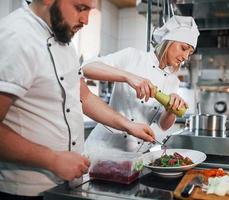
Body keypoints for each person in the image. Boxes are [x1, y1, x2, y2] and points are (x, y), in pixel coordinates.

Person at [0, 0, 156, 199]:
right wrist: (53, 159)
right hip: (24, 190)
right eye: (80, 8)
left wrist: (128, 125)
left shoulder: (64, 41)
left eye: (89, 10)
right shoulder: (15, 37)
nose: (86, 20)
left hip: (65, 185)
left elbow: (84, 97)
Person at [83, 15, 199, 153]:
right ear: (169, 41)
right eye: (184, 48)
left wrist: (170, 110)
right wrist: (128, 77)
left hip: (135, 153)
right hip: (104, 148)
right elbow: (86, 68)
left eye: (190, 53)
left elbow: (163, 125)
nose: (186, 57)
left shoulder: (173, 81)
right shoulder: (133, 56)